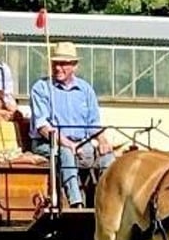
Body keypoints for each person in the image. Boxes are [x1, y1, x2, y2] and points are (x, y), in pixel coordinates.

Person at [29, 41, 113, 208]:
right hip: (47, 144)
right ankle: (76, 203)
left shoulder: (85, 89)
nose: (58, 68)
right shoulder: (41, 88)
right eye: (55, 63)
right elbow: (43, 127)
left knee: (108, 158)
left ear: (74, 66)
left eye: (64, 64)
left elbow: (93, 124)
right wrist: (69, 144)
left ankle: (105, 203)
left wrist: (103, 141)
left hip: (82, 144)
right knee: (66, 153)